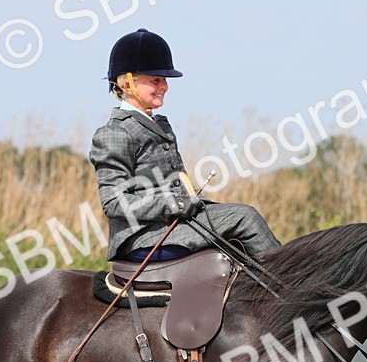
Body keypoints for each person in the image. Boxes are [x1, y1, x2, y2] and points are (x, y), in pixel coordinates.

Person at [88, 28, 280, 263]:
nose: (164, 86)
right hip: (143, 236)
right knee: (244, 218)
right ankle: (291, 287)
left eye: (165, 80)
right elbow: (113, 202)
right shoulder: (114, 133)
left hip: (174, 224)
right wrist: (175, 203)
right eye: (155, 80)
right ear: (127, 84)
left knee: (240, 219)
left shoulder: (160, 125)